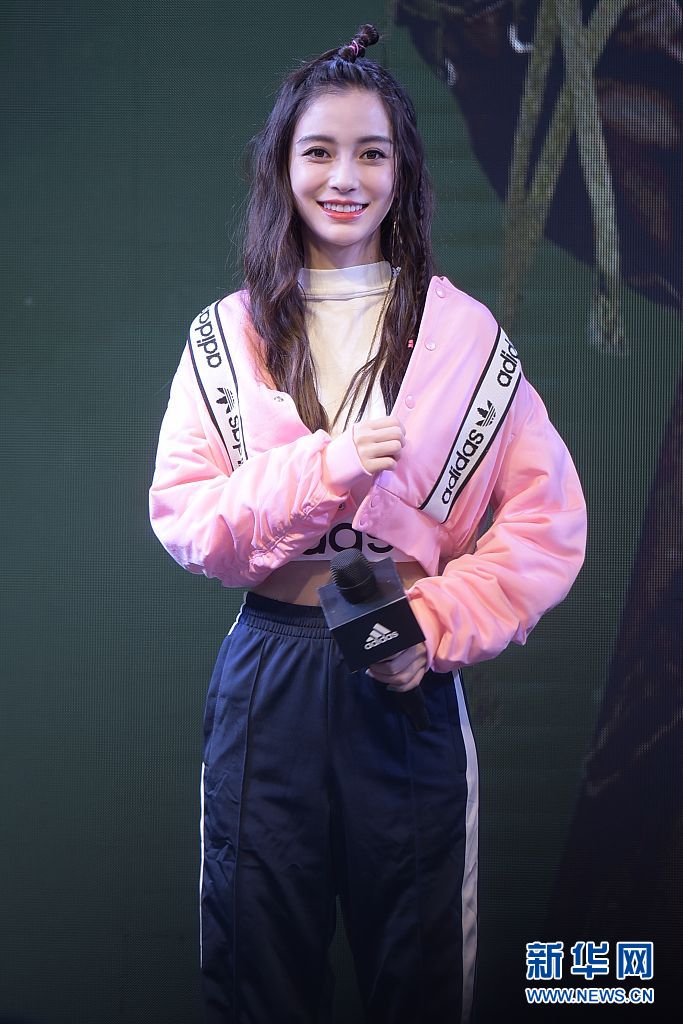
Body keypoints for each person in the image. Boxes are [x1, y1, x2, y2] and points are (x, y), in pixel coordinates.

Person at [149, 24, 587, 1024]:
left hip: (402, 673)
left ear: (403, 172)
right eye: (318, 151)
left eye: (370, 153)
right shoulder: (225, 336)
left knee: (419, 976)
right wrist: (327, 466)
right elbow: (187, 517)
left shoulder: (461, 332)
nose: (343, 177)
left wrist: (428, 626)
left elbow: (546, 520)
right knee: (255, 971)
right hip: (270, 671)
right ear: (282, 166)